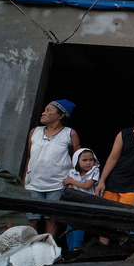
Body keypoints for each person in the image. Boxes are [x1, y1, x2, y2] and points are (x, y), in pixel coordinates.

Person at [23, 99, 80, 238]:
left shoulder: (70, 134)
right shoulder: (34, 132)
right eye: (45, 110)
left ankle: (48, 255)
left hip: (57, 184)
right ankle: (29, 252)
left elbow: (77, 160)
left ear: (61, 115)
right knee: (31, 220)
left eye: (48, 110)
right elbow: (30, 157)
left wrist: (72, 181)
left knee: (51, 220)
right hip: (33, 184)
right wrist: (25, 179)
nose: (43, 113)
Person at [62, 147, 99, 250]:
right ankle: (71, 249)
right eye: (84, 160)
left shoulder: (95, 170)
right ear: (76, 161)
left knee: (80, 227)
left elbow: (87, 185)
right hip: (75, 204)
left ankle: (77, 249)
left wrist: (72, 181)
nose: (88, 163)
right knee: (70, 227)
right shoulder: (72, 172)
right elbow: (70, 190)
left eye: (91, 160)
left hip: (88, 205)